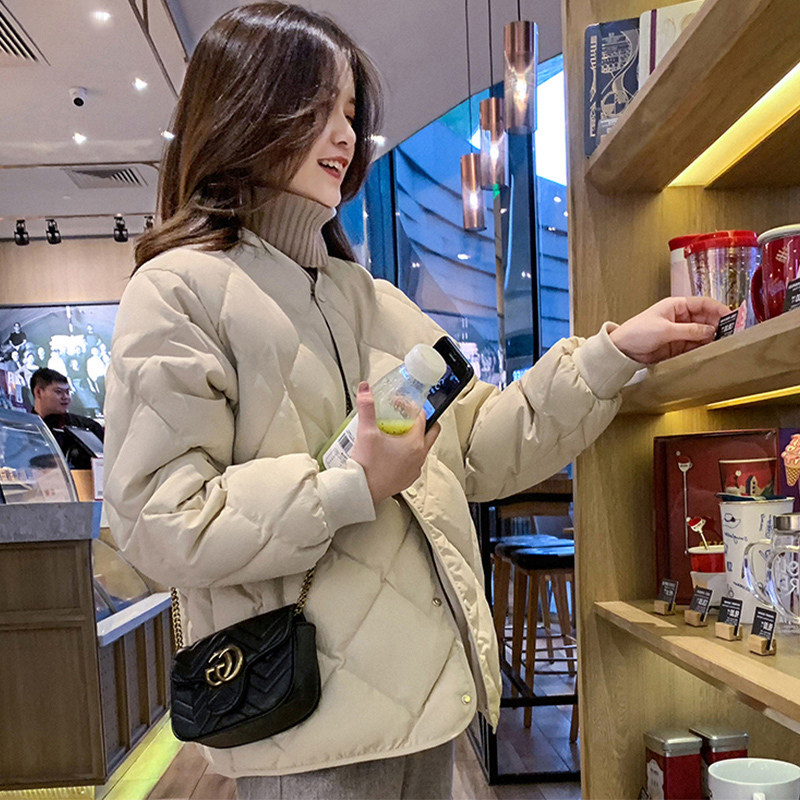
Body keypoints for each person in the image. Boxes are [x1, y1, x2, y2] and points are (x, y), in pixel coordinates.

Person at [102, 4, 728, 799]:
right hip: (304, 729)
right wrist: (351, 485)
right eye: (317, 107)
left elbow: (483, 446)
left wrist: (615, 353)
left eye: (349, 113)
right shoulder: (178, 291)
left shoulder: (375, 302)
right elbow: (158, 520)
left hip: (431, 711)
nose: (344, 136)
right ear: (247, 108)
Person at [30, 368, 104, 470]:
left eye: (67, 392)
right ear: (38, 392)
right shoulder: (23, 430)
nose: (65, 397)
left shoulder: (88, 427)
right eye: (58, 392)